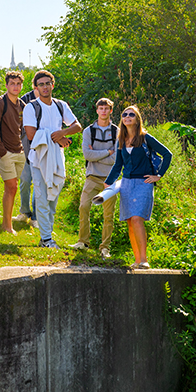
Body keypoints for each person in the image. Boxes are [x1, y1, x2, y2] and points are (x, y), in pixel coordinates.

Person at [103, 106, 173, 269]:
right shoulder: (121, 139)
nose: (127, 117)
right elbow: (118, 164)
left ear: (137, 119)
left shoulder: (145, 138)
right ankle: (136, 260)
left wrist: (159, 175)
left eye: (131, 115)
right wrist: (108, 182)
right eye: (124, 114)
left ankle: (144, 259)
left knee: (137, 219)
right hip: (126, 183)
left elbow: (167, 154)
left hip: (143, 183)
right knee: (129, 221)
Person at [22, 70, 81, 248]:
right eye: (41, 84)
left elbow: (77, 126)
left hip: (57, 156)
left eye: (48, 83)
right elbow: (31, 134)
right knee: (41, 195)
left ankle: (47, 231)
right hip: (39, 157)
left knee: (53, 195)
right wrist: (56, 137)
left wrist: (62, 133)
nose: (45, 87)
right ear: (36, 87)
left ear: (52, 85)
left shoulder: (60, 105)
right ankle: (46, 238)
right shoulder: (31, 107)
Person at [73, 98, 118, 257]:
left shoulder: (117, 132)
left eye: (107, 108)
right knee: (84, 207)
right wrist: (108, 152)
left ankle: (105, 247)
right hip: (92, 177)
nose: (104, 111)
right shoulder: (88, 131)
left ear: (111, 111)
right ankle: (83, 242)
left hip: (110, 179)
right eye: (101, 108)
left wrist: (97, 155)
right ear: (97, 110)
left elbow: (116, 159)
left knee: (108, 215)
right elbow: (87, 155)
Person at [0, 71, 27, 235]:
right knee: (11, 186)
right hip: (5, 151)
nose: (15, 86)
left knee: (13, 187)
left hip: (19, 151)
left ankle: (7, 221)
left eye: (18, 84)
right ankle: (7, 225)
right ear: (6, 85)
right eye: (12, 83)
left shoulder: (22, 105)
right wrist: (1, 151)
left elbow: (23, 127)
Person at [15, 85, 39, 224]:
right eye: (39, 85)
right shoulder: (24, 101)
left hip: (42, 148)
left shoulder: (50, 102)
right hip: (25, 145)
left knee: (38, 182)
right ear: (34, 86)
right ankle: (24, 211)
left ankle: (35, 216)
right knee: (25, 180)